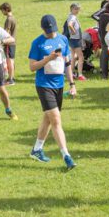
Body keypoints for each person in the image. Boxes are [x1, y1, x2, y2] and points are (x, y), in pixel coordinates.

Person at [28, 15, 77, 169]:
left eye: (52, 30)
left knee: (48, 119)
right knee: (56, 120)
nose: (51, 33)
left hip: (59, 85)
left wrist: (72, 83)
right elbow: (32, 67)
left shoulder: (63, 39)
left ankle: (36, 149)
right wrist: (48, 59)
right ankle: (66, 156)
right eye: (48, 31)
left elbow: (67, 63)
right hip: (44, 85)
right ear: (43, 29)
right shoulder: (37, 43)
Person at [64, 3, 86, 81]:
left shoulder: (70, 16)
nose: (77, 11)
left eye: (78, 9)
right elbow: (70, 25)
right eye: (75, 9)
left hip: (71, 39)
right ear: (71, 9)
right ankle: (80, 74)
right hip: (75, 39)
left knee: (73, 56)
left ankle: (71, 73)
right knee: (81, 57)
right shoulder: (72, 17)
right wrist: (73, 31)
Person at [97, 1, 109, 80]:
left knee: (105, 56)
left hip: (103, 37)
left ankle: (104, 75)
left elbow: (100, 28)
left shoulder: (102, 16)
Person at [0, 2, 16, 85]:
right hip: (13, 43)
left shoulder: (9, 19)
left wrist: (2, 41)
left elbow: (6, 32)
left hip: (8, 44)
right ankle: (11, 77)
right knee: (11, 61)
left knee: (9, 61)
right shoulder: (13, 18)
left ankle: (10, 79)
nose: (2, 12)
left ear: (6, 9)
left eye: (2, 10)